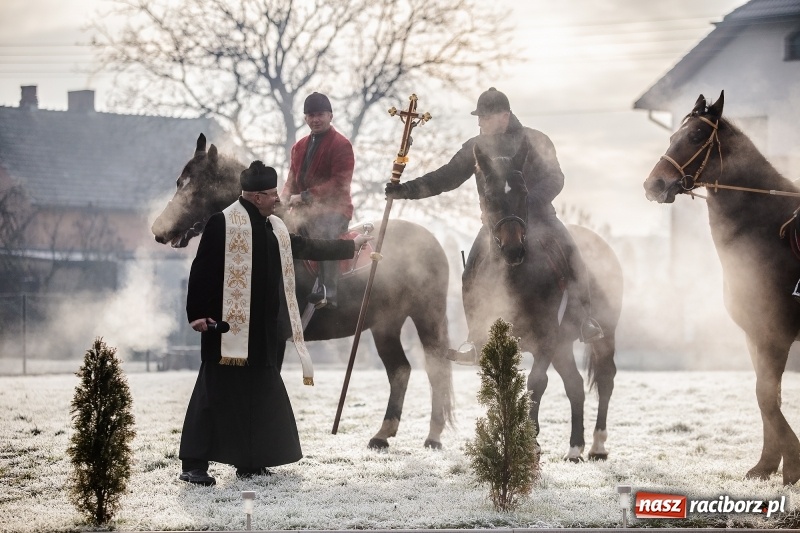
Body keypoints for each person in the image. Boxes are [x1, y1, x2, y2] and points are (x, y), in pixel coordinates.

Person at [179, 160, 371, 486]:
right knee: (214, 394)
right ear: (255, 196)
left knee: (260, 395)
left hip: (265, 332)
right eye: (271, 194)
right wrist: (197, 312)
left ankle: (251, 461)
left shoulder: (275, 227)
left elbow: (306, 247)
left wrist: (349, 245)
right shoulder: (222, 223)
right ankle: (194, 465)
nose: (277, 199)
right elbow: (202, 270)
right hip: (228, 329)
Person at [385, 87, 604, 345]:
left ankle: (584, 320)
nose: (480, 122)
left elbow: (556, 178)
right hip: (495, 226)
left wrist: (529, 202)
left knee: (573, 257)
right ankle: (475, 338)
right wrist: (405, 190)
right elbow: (446, 178)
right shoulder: (475, 147)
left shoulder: (536, 140)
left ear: (505, 115)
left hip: (540, 218)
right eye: (479, 117)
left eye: (486, 117)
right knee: (469, 275)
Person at [281, 92, 355, 309]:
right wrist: (283, 200)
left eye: (320, 114)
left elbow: (339, 183)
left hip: (335, 210)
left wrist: (305, 196)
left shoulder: (341, 145)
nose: (316, 119)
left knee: (324, 231)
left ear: (330, 115)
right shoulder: (298, 147)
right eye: (311, 115)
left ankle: (328, 291)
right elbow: (291, 180)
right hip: (304, 211)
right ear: (305, 119)